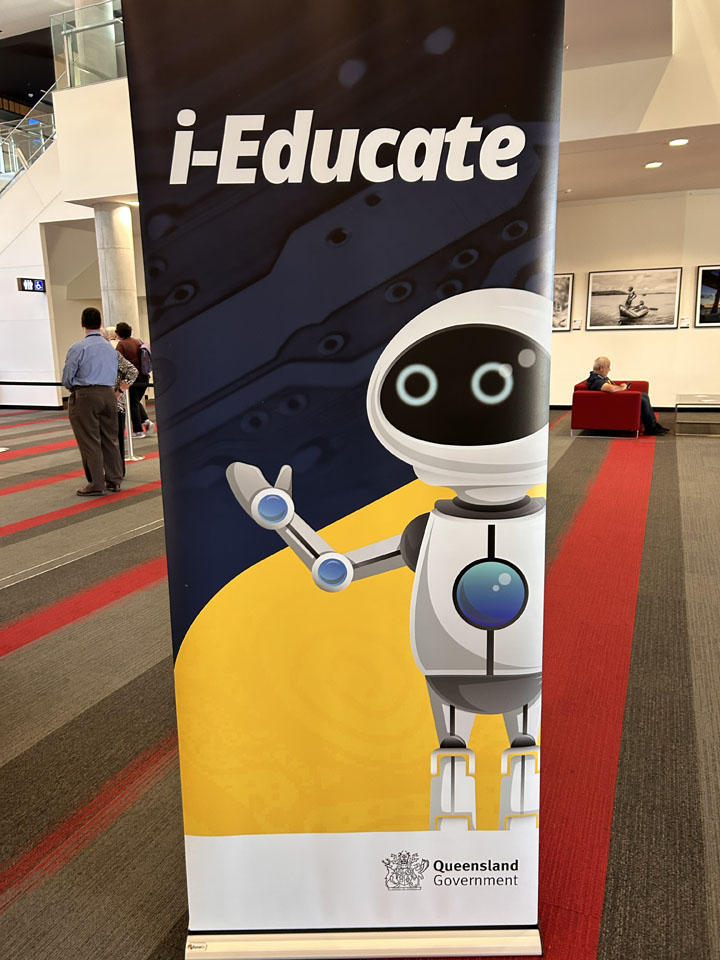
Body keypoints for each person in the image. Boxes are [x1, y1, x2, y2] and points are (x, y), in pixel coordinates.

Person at [62, 307, 124, 495]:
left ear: (82, 323)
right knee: (110, 439)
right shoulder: (110, 348)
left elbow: (67, 377)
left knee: (89, 441)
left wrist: (74, 389)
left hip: (86, 395)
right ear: (100, 323)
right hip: (108, 394)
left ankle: (96, 484)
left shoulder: (78, 347)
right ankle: (114, 480)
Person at [586, 357, 669, 435]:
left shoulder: (601, 377)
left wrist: (621, 387)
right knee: (642, 400)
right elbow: (611, 389)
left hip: (615, 401)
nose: (609, 369)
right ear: (601, 368)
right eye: (608, 367)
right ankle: (651, 428)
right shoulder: (595, 379)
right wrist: (622, 387)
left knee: (644, 395)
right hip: (612, 405)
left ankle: (653, 425)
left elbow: (611, 387)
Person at [100, 327, 137, 473]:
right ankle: (111, 470)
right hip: (101, 404)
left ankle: (118, 470)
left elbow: (133, 371)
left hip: (115, 405)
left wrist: (120, 390)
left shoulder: (113, 355)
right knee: (105, 440)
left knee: (116, 440)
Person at [115, 321, 155, 438]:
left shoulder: (121, 345)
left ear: (118, 333)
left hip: (133, 378)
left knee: (132, 403)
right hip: (144, 377)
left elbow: (117, 361)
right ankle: (146, 421)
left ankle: (138, 430)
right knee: (135, 401)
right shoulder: (137, 341)